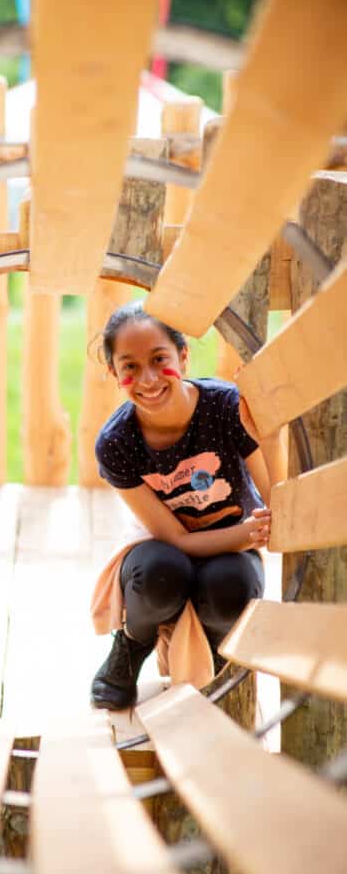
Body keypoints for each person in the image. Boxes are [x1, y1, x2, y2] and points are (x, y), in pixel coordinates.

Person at [91, 302, 286, 710]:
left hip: (234, 553)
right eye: (129, 366)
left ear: (183, 355)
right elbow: (175, 537)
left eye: (159, 359)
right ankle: (131, 645)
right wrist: (246, 533)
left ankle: (213, 653)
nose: (146, 379)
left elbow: (274, 498)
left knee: (228, 587)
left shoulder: (226, 407)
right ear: (113, 373)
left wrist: (266, 436)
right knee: (161, 573)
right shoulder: (117, 442)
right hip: (165, 550)